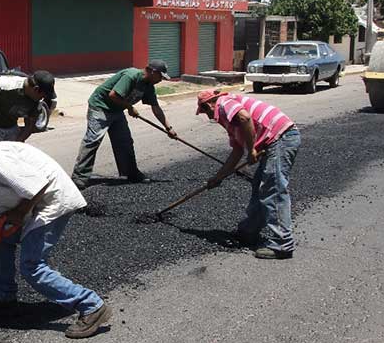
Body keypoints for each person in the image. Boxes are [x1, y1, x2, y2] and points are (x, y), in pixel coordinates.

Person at [0, 134, 112, 339]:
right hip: (34, 205)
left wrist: (18, 213)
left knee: (32, 266)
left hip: (53, 203)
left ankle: (91, 305)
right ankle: (4, 298)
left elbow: (39, 185)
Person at [195, 90, 301, 259]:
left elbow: (245, 117)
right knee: (260, 188)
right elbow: (236, 152)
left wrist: (252, 148)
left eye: (206, 112)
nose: (208, 117)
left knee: (272, 189)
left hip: (281, 137)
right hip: (275, 140)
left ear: (208, 105)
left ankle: (283, 244)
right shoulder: (230, 121)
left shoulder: (224, 103)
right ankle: (248, 232)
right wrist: (218, 178)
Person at [71, 60, 178, 190]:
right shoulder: (131, 76)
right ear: (153, 72)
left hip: (116, 110)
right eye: (160, 76)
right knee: (92, 141)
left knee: (125, 141)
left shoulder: (148, 86)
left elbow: (156, 108)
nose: (161, 80)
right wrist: (129, 107)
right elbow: (113, 95)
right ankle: (79, 178)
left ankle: (131, 173)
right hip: (100, 107)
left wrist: (169, 128)